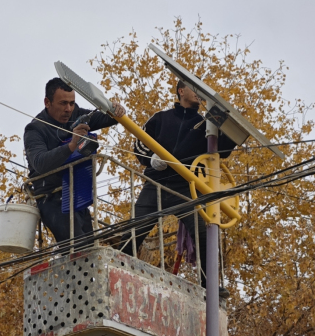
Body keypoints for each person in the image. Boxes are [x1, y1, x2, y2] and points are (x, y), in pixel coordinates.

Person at [121, 81, 236, 291]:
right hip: (155, 183)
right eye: (194, 89)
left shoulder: (205, 124)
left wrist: (229, 126)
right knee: (134, 229)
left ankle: (209, 285)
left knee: (203, 233)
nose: (198, 94)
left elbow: (224, 149)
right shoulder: (161, 118)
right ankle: (117, 268)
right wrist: (150, 158)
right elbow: (139, 143)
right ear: (181, 91)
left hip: (186, 186)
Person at [24, 77, 125, 244]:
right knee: (77, 249)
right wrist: (71, 145)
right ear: (47, 102)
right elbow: (40, 162)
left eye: (72, 103)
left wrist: (114, 109)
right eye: (63, 103)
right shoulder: (35, 129)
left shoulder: (76, 114)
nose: (68, 109)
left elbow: (103, 118)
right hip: (52, 198)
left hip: (77, 194)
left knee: (91, 248)